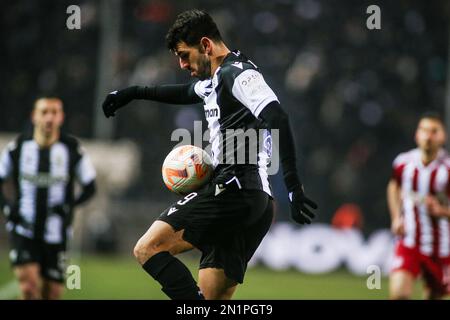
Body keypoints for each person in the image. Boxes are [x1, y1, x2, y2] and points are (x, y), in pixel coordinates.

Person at [102, 9, 317, 300]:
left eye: (184, 55)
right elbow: (182, 92)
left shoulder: (237, 73)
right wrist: (131, 93)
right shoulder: (215, 81)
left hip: (234, 189)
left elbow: (277, 116)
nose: (181, 64)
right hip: (256, 202)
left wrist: (293, 186)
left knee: (147, 248)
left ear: (206, 45)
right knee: (213, 298)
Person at [0, 96, 97, 299]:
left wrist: (69, 205)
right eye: (44, 112)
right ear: (34, 116)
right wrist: (8, 208)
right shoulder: (18, 147)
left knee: (51, 294)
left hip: (57, 233)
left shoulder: (72, 149)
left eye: (55, 112)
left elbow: (90, 187)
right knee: (29, 288)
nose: (49, 118)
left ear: (61, 117)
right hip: (24, 229)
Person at [387, 112, 450, 300]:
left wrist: (443, 211)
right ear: (416, 135)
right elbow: (393, 187)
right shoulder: (403, 163)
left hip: (441, 247)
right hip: (409, 241)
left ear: (442, 137)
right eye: (424, 130)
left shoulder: (447, 168)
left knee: (434, 296)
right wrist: (396, 217)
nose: (428, 136)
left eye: (434, 131)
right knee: (399, 294)